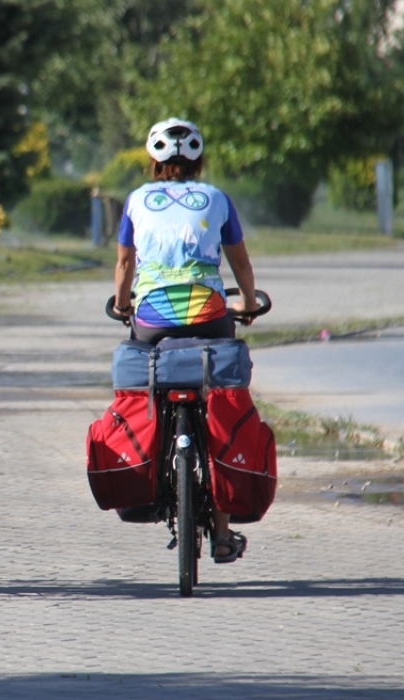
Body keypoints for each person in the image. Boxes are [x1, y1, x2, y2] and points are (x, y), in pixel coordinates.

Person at [112, 117, 258, 564]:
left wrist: (123, 306)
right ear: (198, 159)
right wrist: (247, 303)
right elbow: (241, 266)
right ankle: (221, 530)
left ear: (153, 160)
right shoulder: (216, 199)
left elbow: (124, 267)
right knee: (217, 406)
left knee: (149, 377)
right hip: (210, 315)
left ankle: (154, 466)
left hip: (153, 319)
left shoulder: (137, 200)